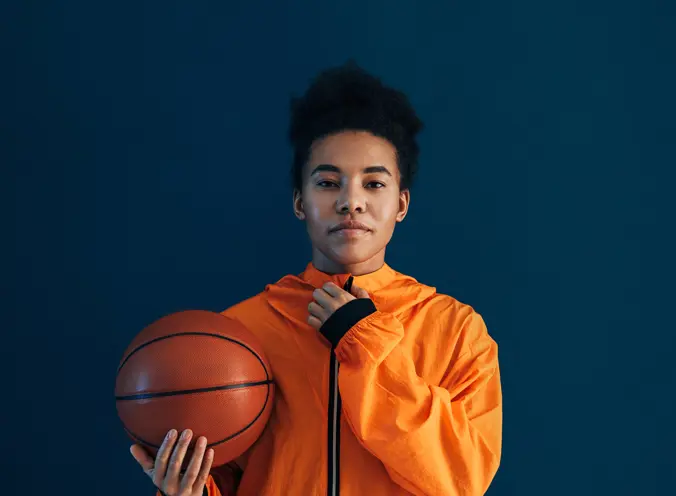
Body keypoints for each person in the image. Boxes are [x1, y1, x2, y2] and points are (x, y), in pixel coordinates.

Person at [130, 60, 503, 496]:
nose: (351, 202)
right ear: (299, 202)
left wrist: (366, 345)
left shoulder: (457, 331)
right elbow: (224, 481)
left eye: (374, 184)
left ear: (401, 204)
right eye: (328, 183)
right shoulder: (238, 334)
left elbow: (463, 479)